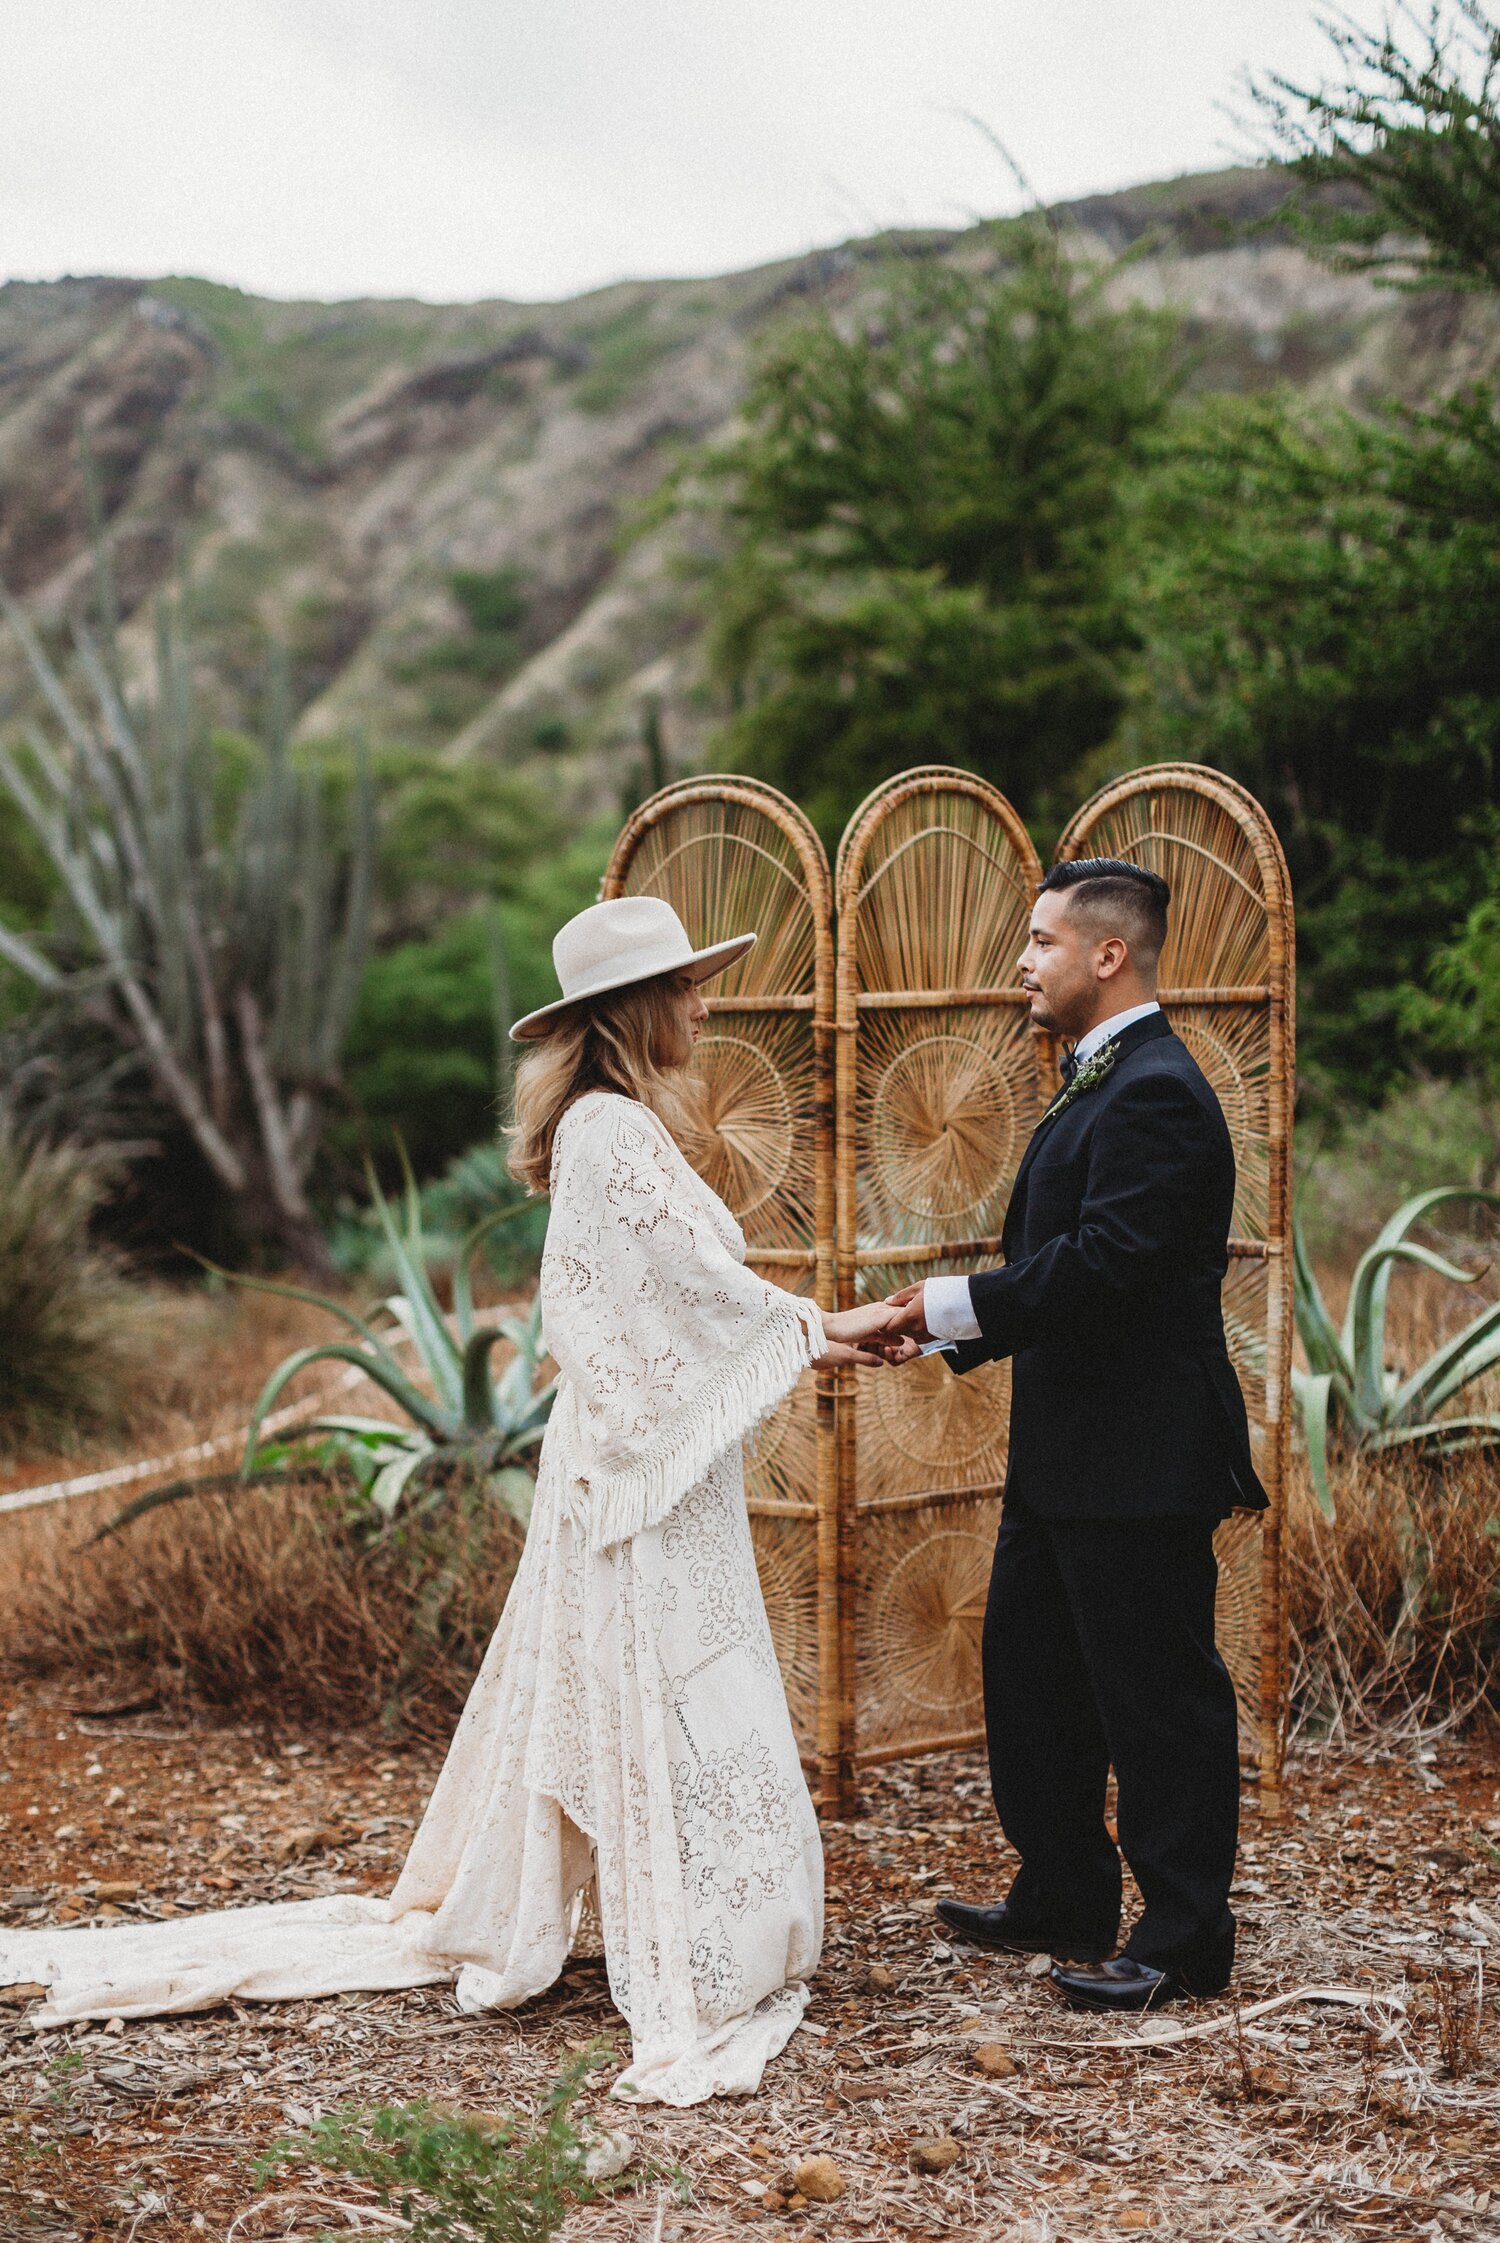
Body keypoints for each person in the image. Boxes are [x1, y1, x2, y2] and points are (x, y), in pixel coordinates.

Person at [0, 896, 896, 2104]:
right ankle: (714, 1947)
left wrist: (816, 1332)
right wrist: (824, 1330)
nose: (702, 1003)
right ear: (633, 1011)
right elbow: (673, 1305)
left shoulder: (605, 1126)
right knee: (685, 1684)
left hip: (643, 1462)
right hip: (639, 1473)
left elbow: (688, 1304)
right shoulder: (614, 1133)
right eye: (683, 987)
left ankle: (710, 1923)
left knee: (679, 1685)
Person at [881, 858, 1266, 2014]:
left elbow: (1103, 1270)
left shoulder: (1156, 1089)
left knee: (1157, 1695)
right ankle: (1063, 1889)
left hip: (1143, 1453)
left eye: (1042, 941)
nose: (1022, 961)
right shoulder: (1098, 1077)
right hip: (1070, 1452)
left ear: (1110, 954)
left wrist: (950, 1307)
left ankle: (1187, 1937)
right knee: (1032, 1673)